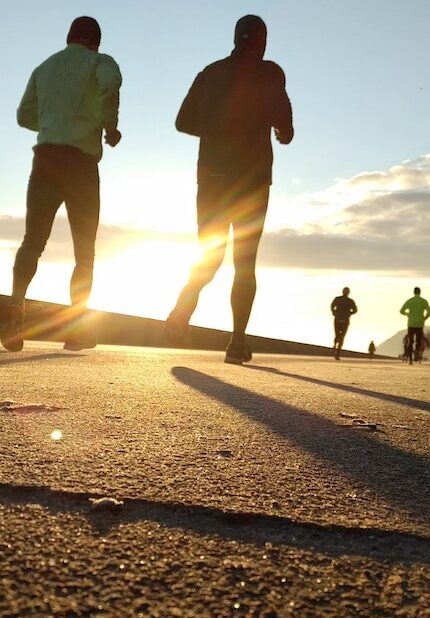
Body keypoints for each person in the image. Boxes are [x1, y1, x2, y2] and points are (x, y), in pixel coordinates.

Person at [164, 15, 294, 364]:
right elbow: (286, 128)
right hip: (252, 181)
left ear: (236, 38)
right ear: (263, 42)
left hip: (212, 179)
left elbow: (182, 122)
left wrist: (217, 129)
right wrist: (279, 132)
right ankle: (237, 343)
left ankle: (182, 309)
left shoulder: (210, 72)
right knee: (244, 262)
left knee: (210, 254)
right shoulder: (270, 73)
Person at [1, 17, 122, 352]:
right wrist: (109, 127)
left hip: (45, 160)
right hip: (80, 165)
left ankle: (15, 306)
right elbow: (110, 88)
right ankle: (76, 329)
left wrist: (54, 120)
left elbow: (24, 115)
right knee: (84, 254)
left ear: (69, 37)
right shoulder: (102, 63)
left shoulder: (45, 67)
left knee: (32, 242)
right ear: (96, 41)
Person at [400, 287, 430, 365]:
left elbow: (401, 311)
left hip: (411, 324)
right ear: (420, 292)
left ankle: (410, 359)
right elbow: (429, 313)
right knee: (418, 340)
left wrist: (407, 314)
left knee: (410, 342)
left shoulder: (410, 301)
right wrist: (424, 318)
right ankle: (417, 352)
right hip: (420, 324)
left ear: (414, 292)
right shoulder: (423, 301)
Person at [330, 286, 357, 360]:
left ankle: (335, 345)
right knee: (342, 336)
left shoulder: (338, 299)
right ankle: (337, 352)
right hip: (345, 319)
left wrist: (334, 312)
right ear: (348, 293)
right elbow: (355, 310)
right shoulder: (350, 301)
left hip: (337, 318)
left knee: (337, 334)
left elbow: (332, 306)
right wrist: (349, 313)